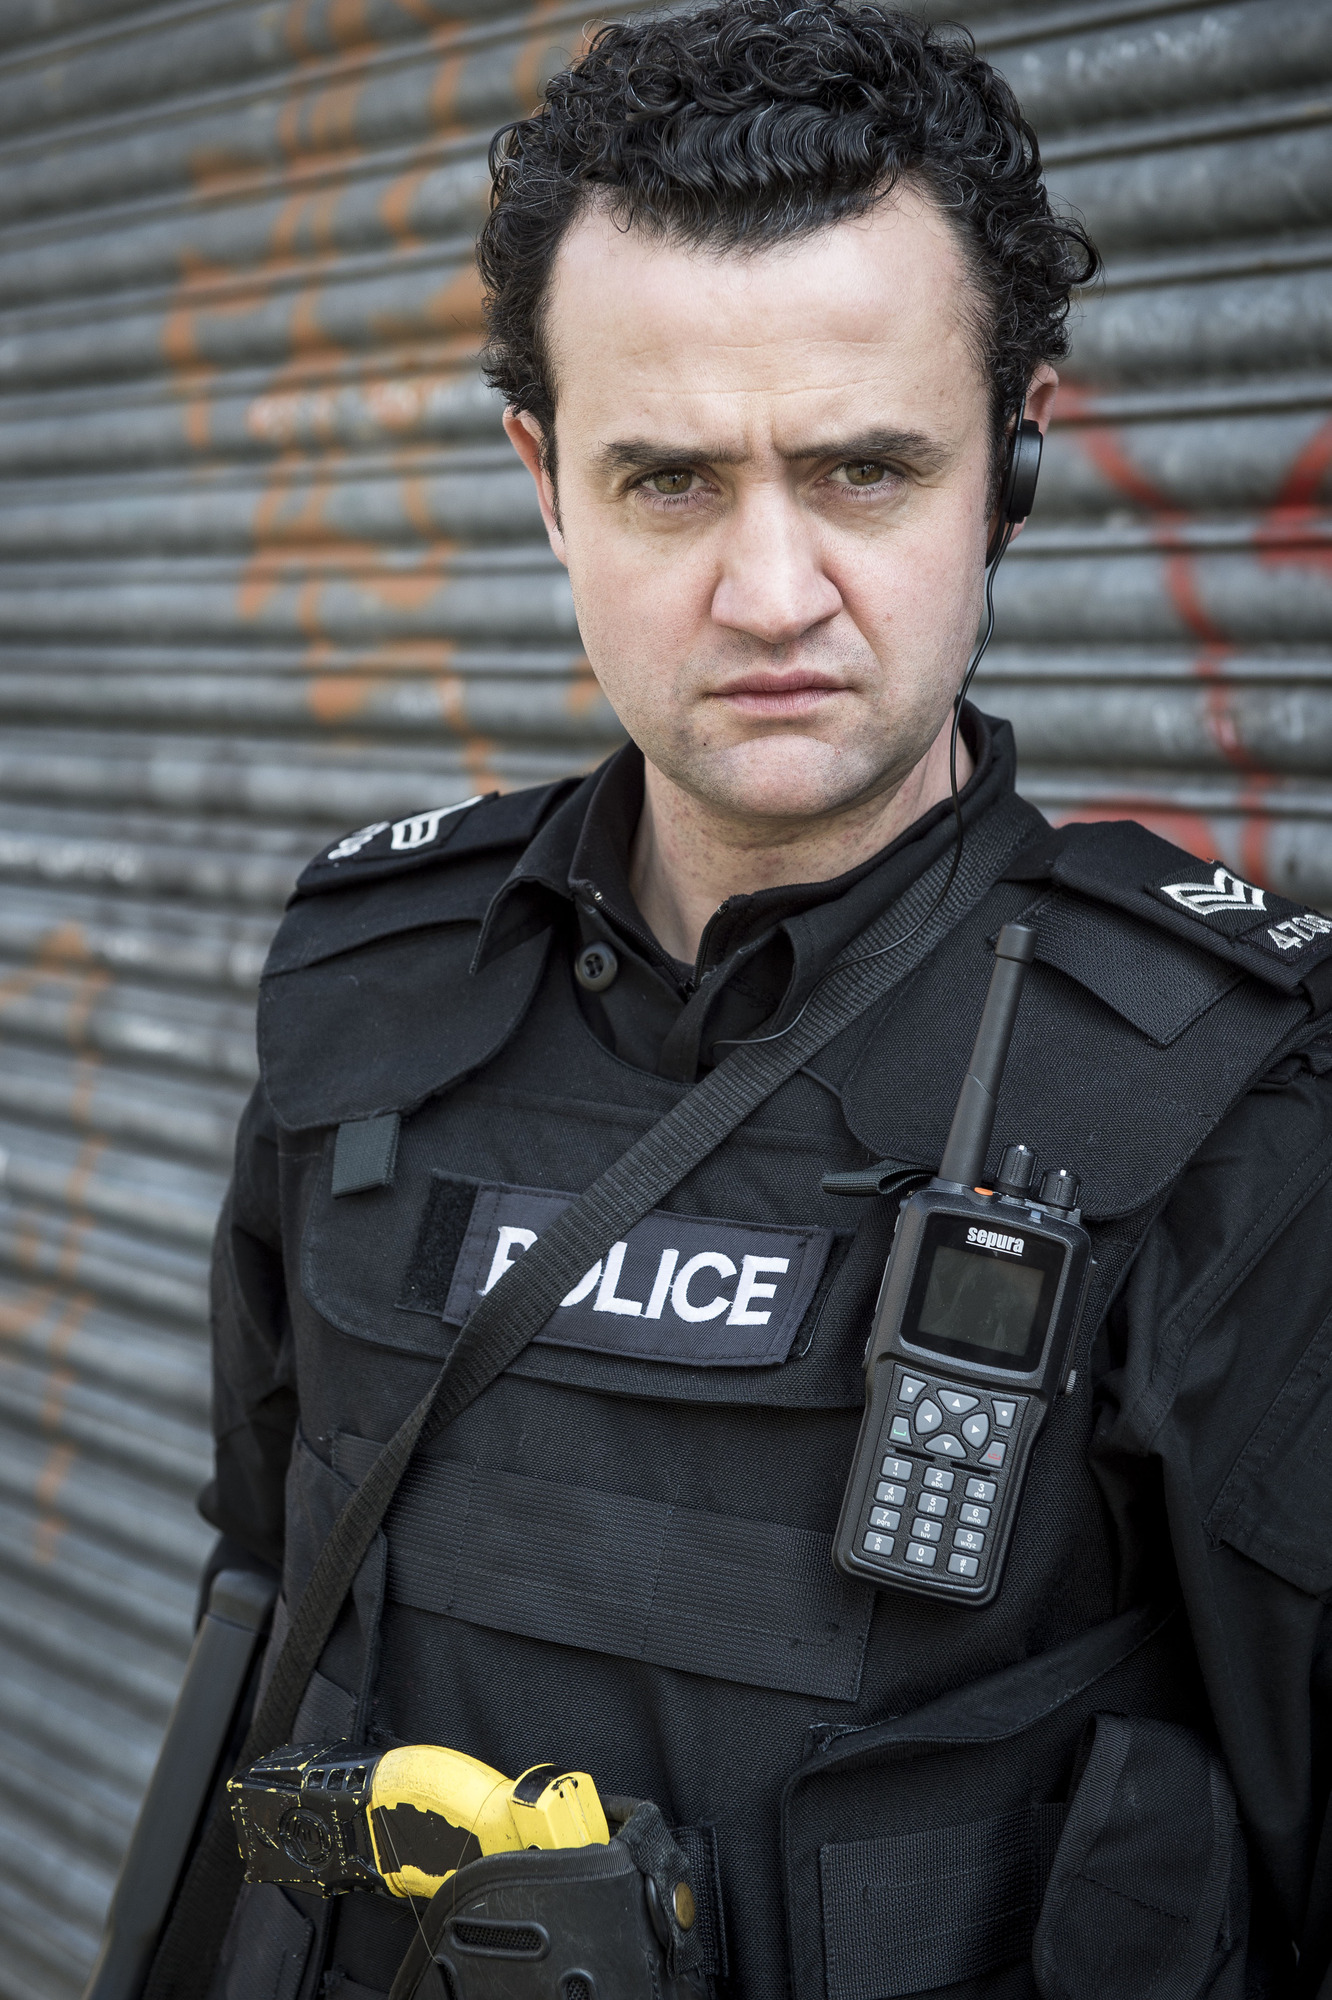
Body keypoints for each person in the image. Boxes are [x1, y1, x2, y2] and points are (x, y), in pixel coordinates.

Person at [197, 4, 1332, 1995]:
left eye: (865, 469)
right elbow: (263, 1600)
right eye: (670, 482)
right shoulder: (368, 984)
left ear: (1015, 461)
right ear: (547, 480)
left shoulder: (1226, 1093)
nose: (771, 592)